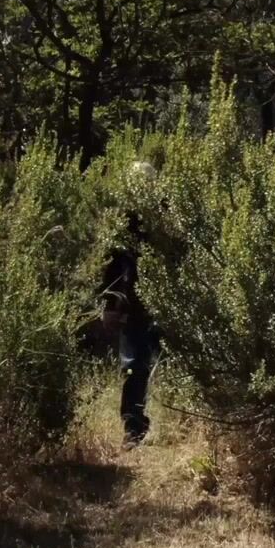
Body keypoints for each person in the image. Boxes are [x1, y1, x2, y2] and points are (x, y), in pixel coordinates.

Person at [100, 161, 161, 449]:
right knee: (133, 366)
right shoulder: (123, 222)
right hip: (135, 306)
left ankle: (192, 424)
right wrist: (110, 305)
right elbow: (112, 267)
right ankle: (133, 428)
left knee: (168, 362)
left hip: (166, 304)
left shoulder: (164, 219)